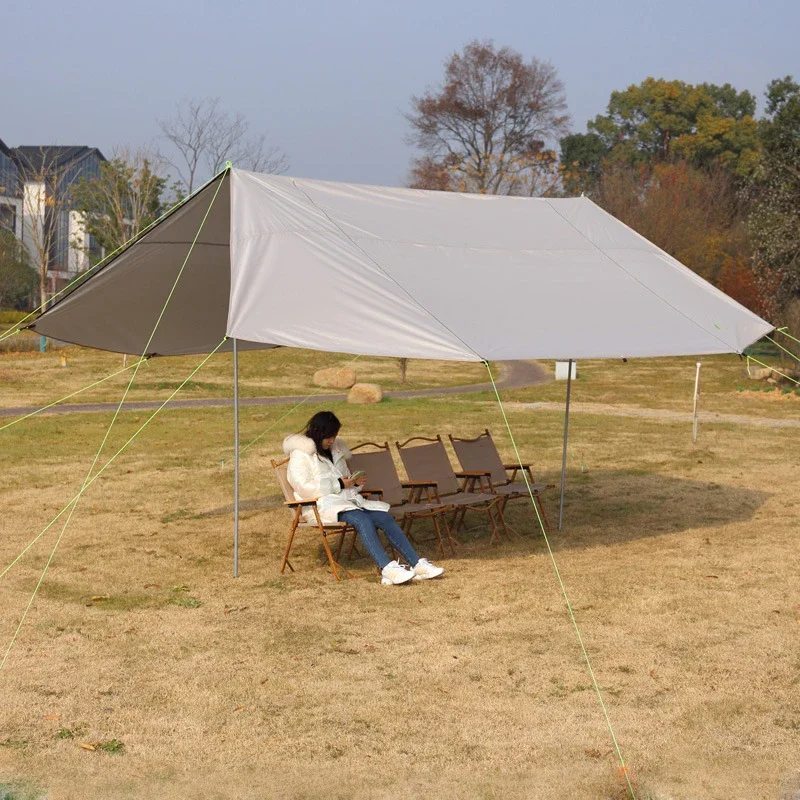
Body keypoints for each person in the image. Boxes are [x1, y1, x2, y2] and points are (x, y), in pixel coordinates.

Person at [283, 411, 445, 585]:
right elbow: (302, 486)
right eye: (329, 436)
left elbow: (344, 479)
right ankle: (387, 569)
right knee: (363, 520)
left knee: (384, 517)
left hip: (345, 501)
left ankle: (416, 564)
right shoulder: (300, 455)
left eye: (334, 436)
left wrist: (354, 482)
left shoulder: (334, 451)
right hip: (319, 505)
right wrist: (339, 484)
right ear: (318, 432)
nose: (332, 440)